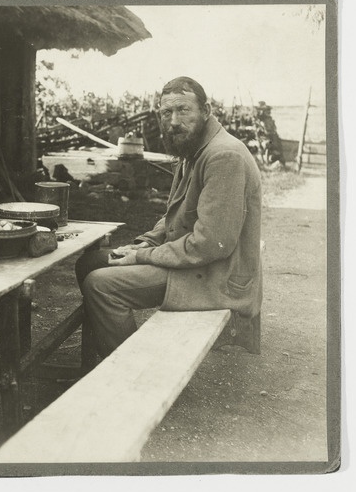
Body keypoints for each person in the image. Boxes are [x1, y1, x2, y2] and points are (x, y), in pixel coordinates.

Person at [76, 77, 262, 357]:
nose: (173, 121)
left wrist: (142, 257)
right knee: (90, 262)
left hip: (218, 276)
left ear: (206, 111)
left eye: (183, 110)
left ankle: (133, 375)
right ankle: (94, 364)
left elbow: (211, 244)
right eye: (166, 112)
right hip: (198, 264)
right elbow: (175, 216)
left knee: (101, 285)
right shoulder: (193, 148)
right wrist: (145, 243)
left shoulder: (224, 156)